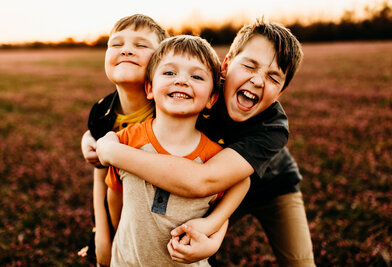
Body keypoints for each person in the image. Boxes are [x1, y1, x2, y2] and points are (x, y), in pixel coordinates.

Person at [94, 18, 316, 266]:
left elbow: (207, 181)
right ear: (226, 66)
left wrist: (213, 231)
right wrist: (92, 137)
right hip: (214, 189)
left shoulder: (273, 127)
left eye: (274, 78)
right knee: (171, 238)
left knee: (301, 262)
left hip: (273, 188)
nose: (257, 81)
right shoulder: (197, 86)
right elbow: (128, 107)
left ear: (281, 92)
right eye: (249, 66)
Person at [96, 35, 250, 266]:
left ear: (211, 98)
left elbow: (225, 206)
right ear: (149, 88)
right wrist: (120, 236)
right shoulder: (125, 140)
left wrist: (213, 239)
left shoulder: (215, 158)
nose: (181, 81)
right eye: (169, 73)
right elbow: (115, 196)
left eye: (196, 76)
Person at [78, 14, 168, 266]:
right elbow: (100, 177)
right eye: (116, 44)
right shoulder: (102, 110)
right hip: (115, 218)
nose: (126, 49)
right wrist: (102, 236)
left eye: (141, 45)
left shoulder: (170, 110)